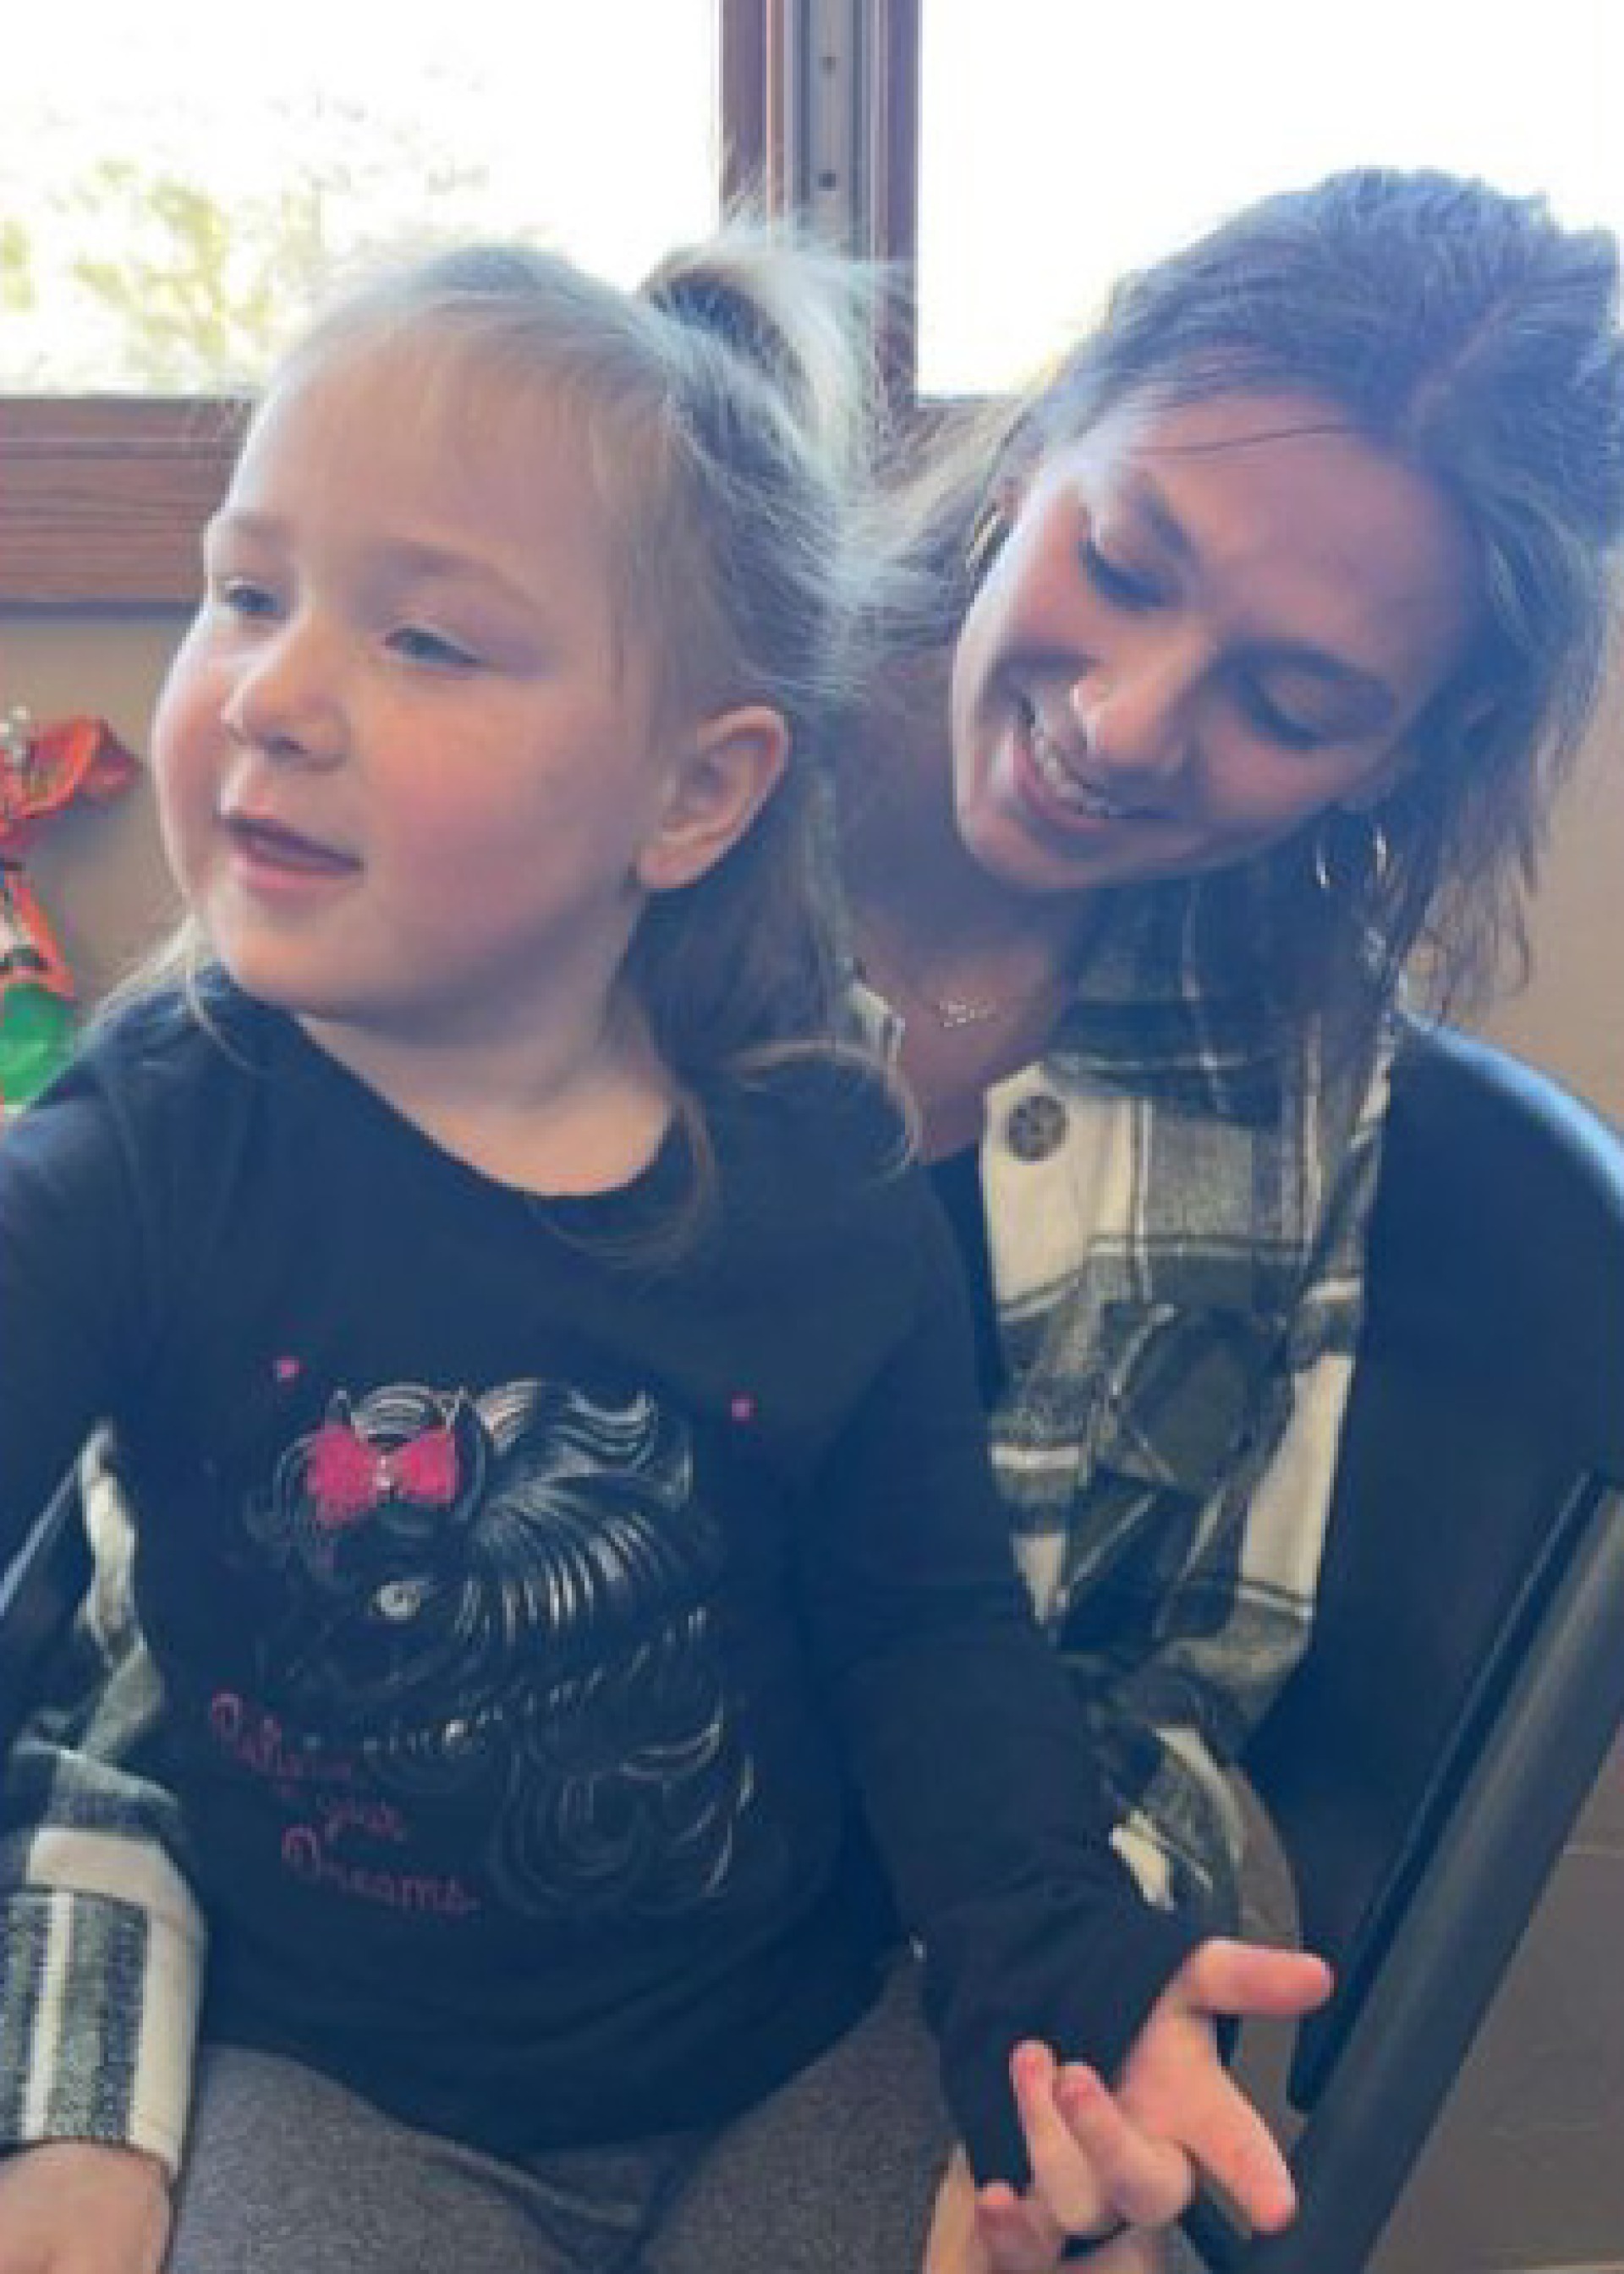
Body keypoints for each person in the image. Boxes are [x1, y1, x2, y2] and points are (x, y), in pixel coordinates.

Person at [6, 164, 1624, 2271]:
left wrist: (1052, 2007)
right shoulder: (371, 967)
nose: (1127, 726)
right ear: (1039, 446)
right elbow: (110, 1637)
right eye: (1125, 564)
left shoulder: (970, 1133)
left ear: (1399, 759)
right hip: (335, 2027)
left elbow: (1006, 1644)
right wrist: (76, 2093)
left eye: (1292, 704)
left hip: (836, 2001)